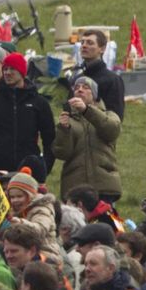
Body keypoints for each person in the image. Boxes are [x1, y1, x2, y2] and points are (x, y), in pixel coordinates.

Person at [0, 52, 53, 174]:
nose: (7, 73)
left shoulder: (39, 103)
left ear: (22, 72)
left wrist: (45, 167)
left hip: (30, 171)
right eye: (5, 69)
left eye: (12, 69)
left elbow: (50, 139)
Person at [52, 75, 121, 205]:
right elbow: (62, 153)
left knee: (104, 225)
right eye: (76, 87)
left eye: (86, 87)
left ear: (94, 95)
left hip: (104, 187)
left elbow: (111, 131)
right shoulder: (67, 119)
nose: (80, 89)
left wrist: (86, 110)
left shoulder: (109, 115)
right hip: (75, 187)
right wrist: (64, 130)